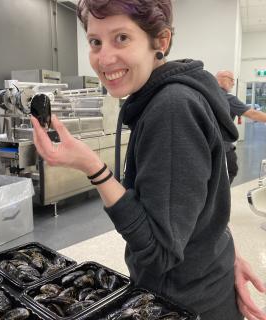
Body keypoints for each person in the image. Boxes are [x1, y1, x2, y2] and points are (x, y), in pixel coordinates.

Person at [31, 1, 266, 319]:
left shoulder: (172, 108)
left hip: (186, 303)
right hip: (205, 280)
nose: (104, 58)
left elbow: (158, 253)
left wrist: (93, 168)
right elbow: (202, 201)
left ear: (161, 41)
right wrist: (226, 251)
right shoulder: (178, 95)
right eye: (95, 41)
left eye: (122, 38)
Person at [216, 70, 266, 184]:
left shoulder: (204, 94)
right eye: (232, 80)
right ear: (222, 78)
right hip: (221, 145)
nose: (233, 83)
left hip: (203, 144)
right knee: (230, 170)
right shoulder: (228, 98)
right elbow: (253, 114)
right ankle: (218, 199)